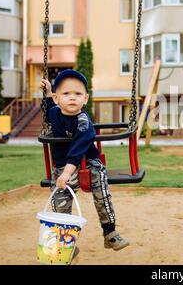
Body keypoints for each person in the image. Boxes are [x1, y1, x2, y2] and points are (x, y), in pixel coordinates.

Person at [40, 69, 129, 251]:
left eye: (78, 94)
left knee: (102, 193)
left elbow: (78, 149)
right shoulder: (55, 113)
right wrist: (48, 93)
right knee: (59, 202)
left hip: (88, 163)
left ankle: (110, 233)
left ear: (85, 99)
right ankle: (67, 244)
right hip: (62, 167)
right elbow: (49, 109)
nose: (72, 98)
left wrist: (67, 173)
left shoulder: (83, 121)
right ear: (57, 99)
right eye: (66, 94)